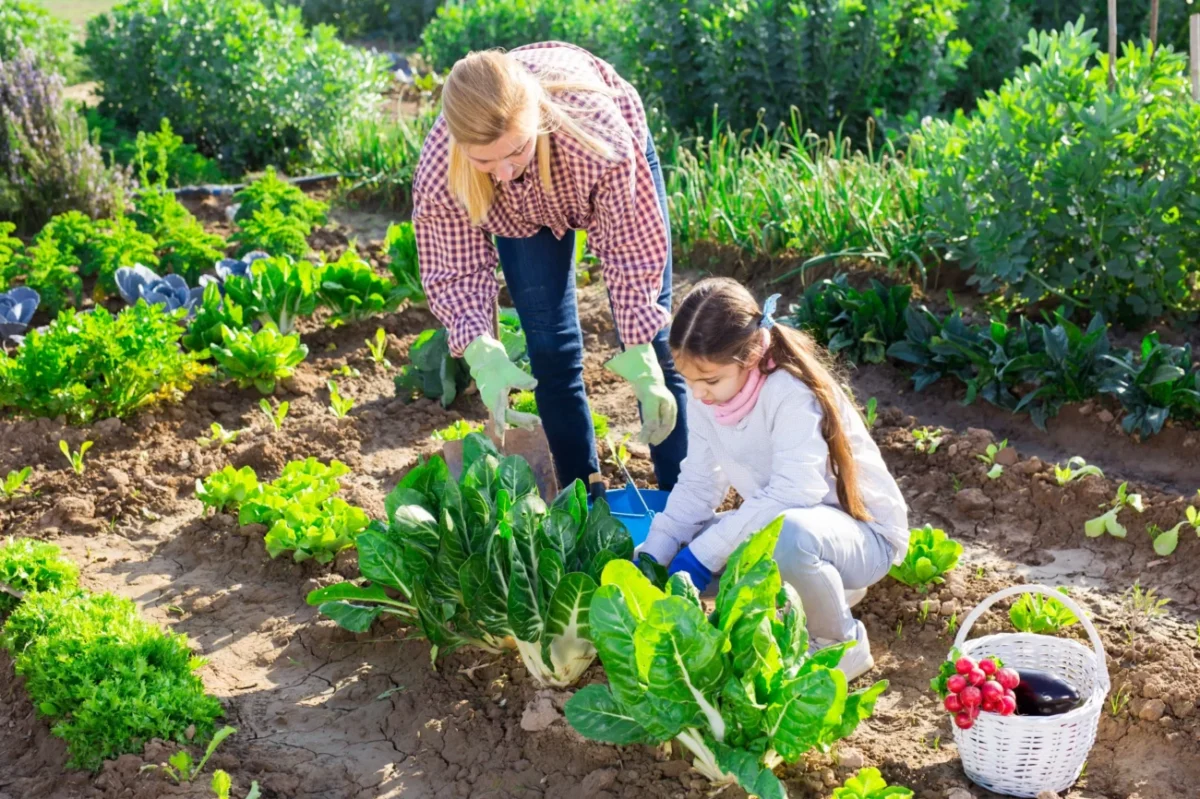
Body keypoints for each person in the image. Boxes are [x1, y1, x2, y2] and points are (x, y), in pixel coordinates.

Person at [410, 42, 688, 496]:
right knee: (550, 353)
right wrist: (481, 350)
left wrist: (640, 354)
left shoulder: (599, 142)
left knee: (655, 349)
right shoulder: (443, 166)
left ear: (535, 122)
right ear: (462, 147)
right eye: (485, 161)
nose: (503, 172)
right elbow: (454, 268)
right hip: (520, 218)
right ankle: (583, 499)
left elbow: (630, 251)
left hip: (588, 159)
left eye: (514, 151)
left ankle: (684, 498)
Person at [635, 278, 910, 680]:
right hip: (798, 528)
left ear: (749, 357)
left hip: (865, 539)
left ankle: (840, 644)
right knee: (683, 541)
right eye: (688, 381)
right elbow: (697, 484)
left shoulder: (789, 392)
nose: (698, 395)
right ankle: (820, 592)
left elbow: (796, 492)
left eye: (709, 381)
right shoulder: (709, 397)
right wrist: (654, 555)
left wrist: (704, 554)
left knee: (786, 535)